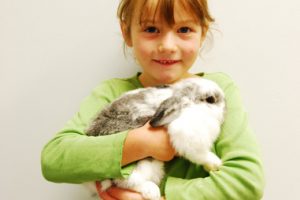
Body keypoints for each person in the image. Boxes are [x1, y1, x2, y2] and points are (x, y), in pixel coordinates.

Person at [41, 0, 265, 199]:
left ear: (203, 32)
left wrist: (162, 195)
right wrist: (141, 143)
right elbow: (55, 159)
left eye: (184, 29)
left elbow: (247, 182)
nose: (167, 46)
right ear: (127, 32)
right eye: (151, 29)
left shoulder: (215, 93)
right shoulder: (111, 92)